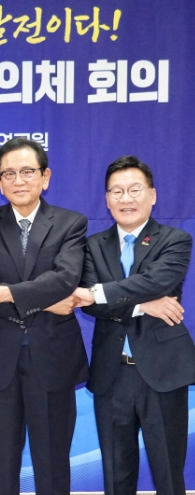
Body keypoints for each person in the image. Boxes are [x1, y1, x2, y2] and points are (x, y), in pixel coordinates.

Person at [0, 137, 89, 495]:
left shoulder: (70, 223)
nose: (18, 180)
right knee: (1, 466)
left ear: (45, 177)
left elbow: (65, 280)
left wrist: (6, 293)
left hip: (52, 356)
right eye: (9, 173)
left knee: (52, 464)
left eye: (27, 171)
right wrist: (45, 300)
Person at [73, 155, 195, 495]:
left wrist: (100, 293)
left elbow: (156, 282)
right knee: (116, 475)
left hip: (162, 372)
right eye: (117, 191)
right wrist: (144, 305)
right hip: (111, 374)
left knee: (168, 472)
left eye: (134, 189)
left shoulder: (175, 240)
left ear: (152, 195)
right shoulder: (91, 246)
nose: (125, 198)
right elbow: (88, 304)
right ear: (107, 199)